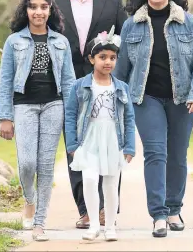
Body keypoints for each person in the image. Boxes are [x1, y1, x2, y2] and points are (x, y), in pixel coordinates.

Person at [114, 0, 193, 238]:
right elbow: (122, 70)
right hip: (146, 98)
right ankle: (157, 214)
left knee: (178, 154)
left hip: (183, 99)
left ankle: (173, 208)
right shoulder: (132, 24)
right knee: (156, 153)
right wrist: (118, 103)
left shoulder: (188, 21)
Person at [53, 0, 127, 229]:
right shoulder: (54, 3)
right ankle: (85, 210)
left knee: (110, 146)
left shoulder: (112, 2)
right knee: (76, 148)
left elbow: (125, 43)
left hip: (106, 87)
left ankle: (108, 210)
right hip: (70, 86)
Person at [0, 0, 76, 241]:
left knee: (45, 166)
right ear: (26, 10)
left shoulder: (60, 41)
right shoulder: (14, 41)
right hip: (24, 106)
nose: (38, 12)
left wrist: (72, 116)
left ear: (50, 10)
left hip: (54, 105)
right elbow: (5, 80)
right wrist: (5, 117)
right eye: (33, 7)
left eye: (43, 6)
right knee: (27, 162)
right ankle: (29, 199)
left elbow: (70, 82)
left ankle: (39, 222)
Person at [65, 26, 135, 241]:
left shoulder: (121, 87)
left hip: (113, 139)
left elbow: (129, 118)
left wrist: (130, 146)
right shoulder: (80, 86)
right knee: (89, 178)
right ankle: (94, 224)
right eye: (102, 57)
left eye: (113, 57)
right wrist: (72, 145)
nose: (108, 62)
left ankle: (110, 226)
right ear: (91, 59)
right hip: (89, 139)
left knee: (111, 183)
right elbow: (70, 115)